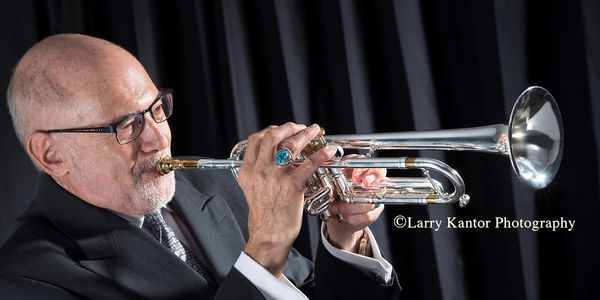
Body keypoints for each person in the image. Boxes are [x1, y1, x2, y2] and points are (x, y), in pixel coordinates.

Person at [0, 34, 401, 299]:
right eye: (127, 125)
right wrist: (265, 249)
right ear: (51, 154)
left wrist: (344, 236)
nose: (159, 138)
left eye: (157, 108)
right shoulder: (26, 279)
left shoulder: (220, 184)